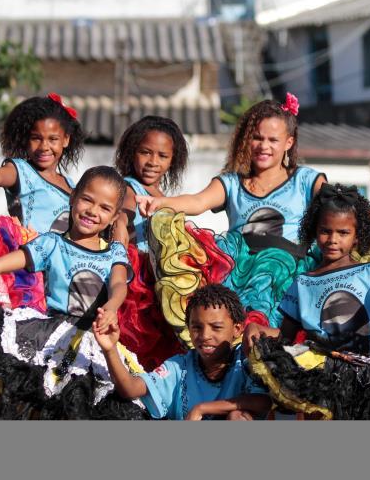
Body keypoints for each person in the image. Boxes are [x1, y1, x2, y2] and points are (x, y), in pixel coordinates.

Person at [0, 166, 147, 419]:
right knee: (42, 406)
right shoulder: (50, 244)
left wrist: (112, 307)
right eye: (87, 199)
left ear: (115, 215)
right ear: (73, 198)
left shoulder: (115, 252)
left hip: (95, 343)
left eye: (104, 208)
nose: (93, 211)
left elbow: (119, 285)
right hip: (50, 340)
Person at [139, 94, 326, 327]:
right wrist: (161, 203)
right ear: (247, 140)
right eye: (257, 138)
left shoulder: (305, 180)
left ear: (288, 143)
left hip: (286, 275)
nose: (264, 146)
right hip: (236, 273)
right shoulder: (232, 183)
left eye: (273, 140)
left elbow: (340, 205)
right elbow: (197, 202)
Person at [244, 184, 370, 420]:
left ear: (357, 236)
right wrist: (255, 329)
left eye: (343, 233)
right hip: (319, 377)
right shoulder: (302, 283)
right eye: (325, 231)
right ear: (313, 230)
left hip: (366, 383)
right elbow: (285, 338)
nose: (332, 239)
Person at [112, 115, 233, 368]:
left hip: (162, 283)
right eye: (145, 152)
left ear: (172, 160)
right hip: (140, 284)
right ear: (131, 151)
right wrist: (119, 260)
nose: (152, 162)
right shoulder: (128, 189)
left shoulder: (162, 197)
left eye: (162, 156)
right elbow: (121, 222)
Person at [0, 94, 87, 312]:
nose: (44, 146)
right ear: (25, 139)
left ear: (66, 140)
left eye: (53, 139)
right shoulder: (21, 171)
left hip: (60, 273)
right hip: (28, 271)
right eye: (36, 138)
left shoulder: (71, 185)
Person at [94, 284, 272, 420]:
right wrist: (110, 349)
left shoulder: (246, 361)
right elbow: (130, 389)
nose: (205, 335)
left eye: (216, 327)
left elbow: (263, 402)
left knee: (237, 417)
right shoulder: (179, 366)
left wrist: (202, 408)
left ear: (237, 329)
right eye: (196, 327)